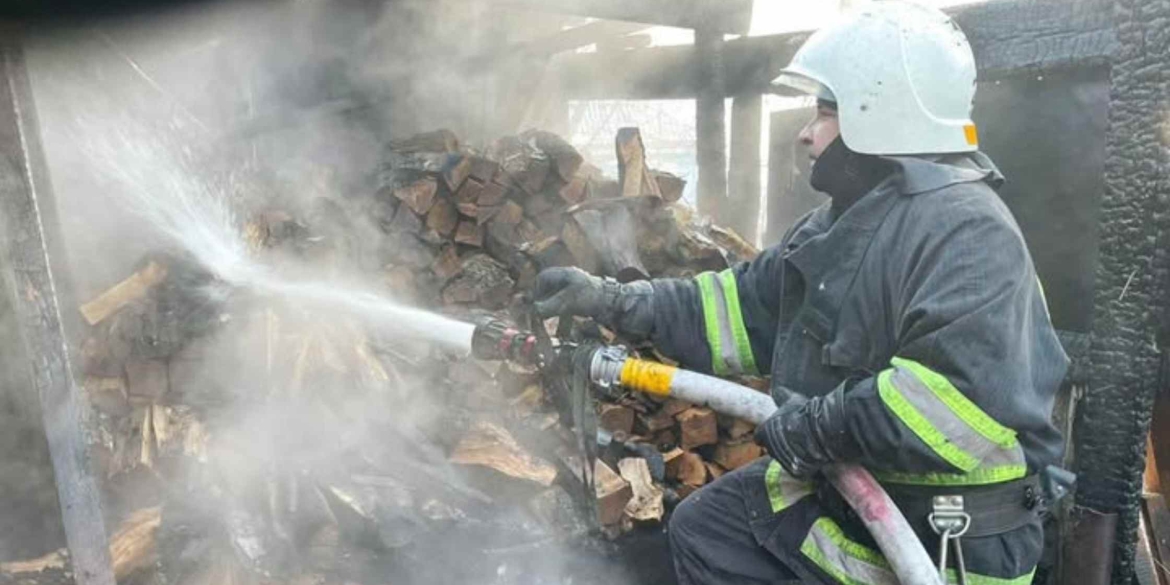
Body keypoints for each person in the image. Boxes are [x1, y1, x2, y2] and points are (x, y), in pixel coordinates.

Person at [531, 2, 1069, 583]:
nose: (807, 134)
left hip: (943, 544)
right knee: (708, 526)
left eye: (825, 113)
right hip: (853, 499)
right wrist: (614, 300)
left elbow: (953, 407)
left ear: (881, 113)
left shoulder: (966, 231)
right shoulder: (842, 223)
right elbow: (737, 308)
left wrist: (815, 427)